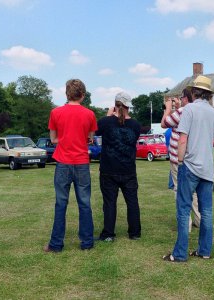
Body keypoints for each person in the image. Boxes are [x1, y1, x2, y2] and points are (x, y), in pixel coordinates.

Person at [163, 75, 214, 262]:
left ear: (194, 92)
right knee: (207, 211)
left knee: (183, 208)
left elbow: (183, 137)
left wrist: (179, 161)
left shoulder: (189, 110)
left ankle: (179, 254)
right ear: (209, 94)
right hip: (207, 167)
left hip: (191, 165)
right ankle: (205, 251)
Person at [44, 79, 98, 252]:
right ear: (83, 95)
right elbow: (90, 138)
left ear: (67, 94)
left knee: (61, 203)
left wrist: (65, 138)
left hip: (63, 163)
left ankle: (56, 244)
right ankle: (87, 242)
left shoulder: (55, 112)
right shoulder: (89, 114)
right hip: (81, 162)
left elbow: (53, 139)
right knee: (84, 203)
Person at [96, 92, 141, 241]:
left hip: (109, 169)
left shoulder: (105, 122)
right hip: (128, 169)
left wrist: (109, 115)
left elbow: (95, 131)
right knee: (132, 202)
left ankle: (108, 234)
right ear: (129, 106)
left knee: (109, 203)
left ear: (115, 104)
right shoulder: (135, 125)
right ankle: (134, 233)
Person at [161, 88, 201, 232]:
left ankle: (185, 223)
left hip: (179, 157)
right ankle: (198, 219)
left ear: (185, 98)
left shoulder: (182, 111)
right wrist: (177, 108)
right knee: (193, 191)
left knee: (179, 190)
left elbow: (164, 123)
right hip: (194, 157)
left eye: (181, 97)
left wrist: (168, 109)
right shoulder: (197, 110)